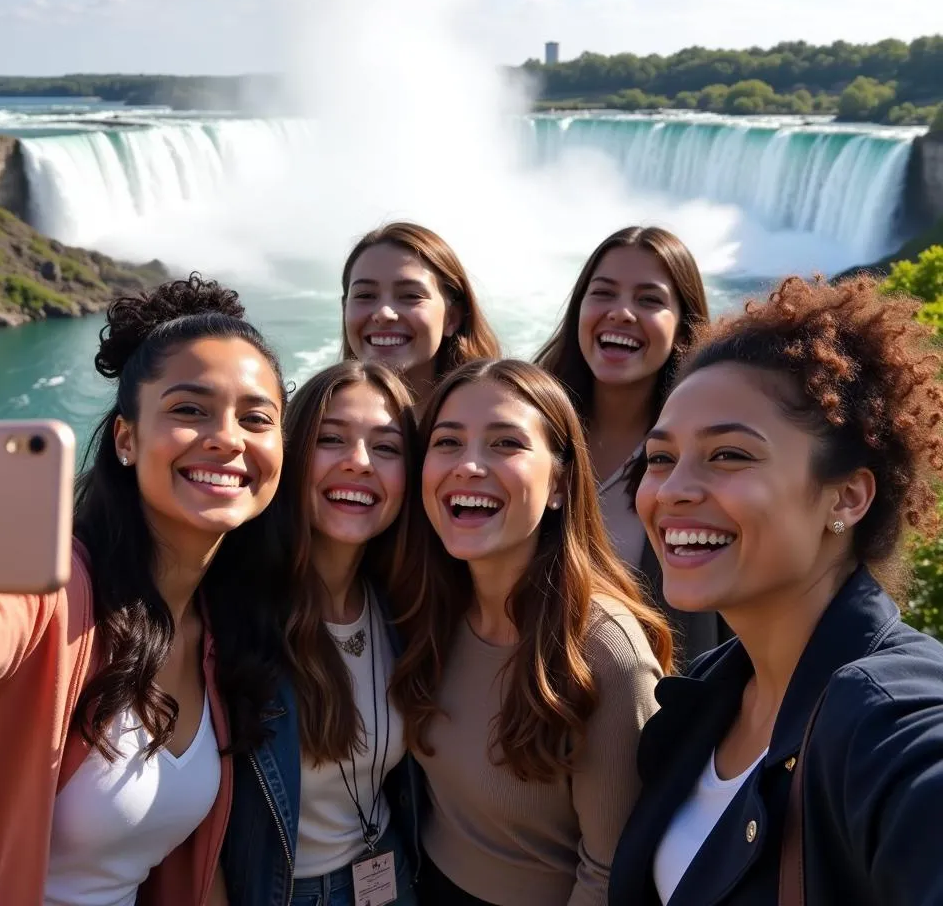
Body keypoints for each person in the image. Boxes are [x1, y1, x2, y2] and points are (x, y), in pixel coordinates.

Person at [0, 275, 287, 906]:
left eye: (256, 418)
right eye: (189, 410)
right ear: (125, 439)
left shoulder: (221, 629)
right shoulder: (44, 589)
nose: (228, 438)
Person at [609, 275, 943, 906]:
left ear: (845, 496)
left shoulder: (889, 715)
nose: (672, 490)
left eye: (729, 456)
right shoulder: (708, 695)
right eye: (659, 458)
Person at [391, 359, 671, 906]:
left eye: (505, 444)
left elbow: (609, 873)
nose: (468, 466)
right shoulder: (428, 608)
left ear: (560, 484)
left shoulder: (605, 652)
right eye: (447, 443)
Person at [222, 361, 421, 906]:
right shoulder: (230, 608)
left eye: (386, 448)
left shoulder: (405, 607)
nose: (358, 463)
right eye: (330, 439)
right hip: (279, 892)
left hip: (390, 874)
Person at [536, 225, 723, 665]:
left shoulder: (708, 464)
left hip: (647, 711)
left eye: (649, 299)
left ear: (683, 328)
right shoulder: (527, 434)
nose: (621, 312)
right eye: (603, 294)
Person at [340, 221, 501, 412]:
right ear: (345, 309)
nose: (383, 313)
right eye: (365, 295)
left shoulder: (497, 417)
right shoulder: (312, 426)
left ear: (452, 317)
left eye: (410, 296)